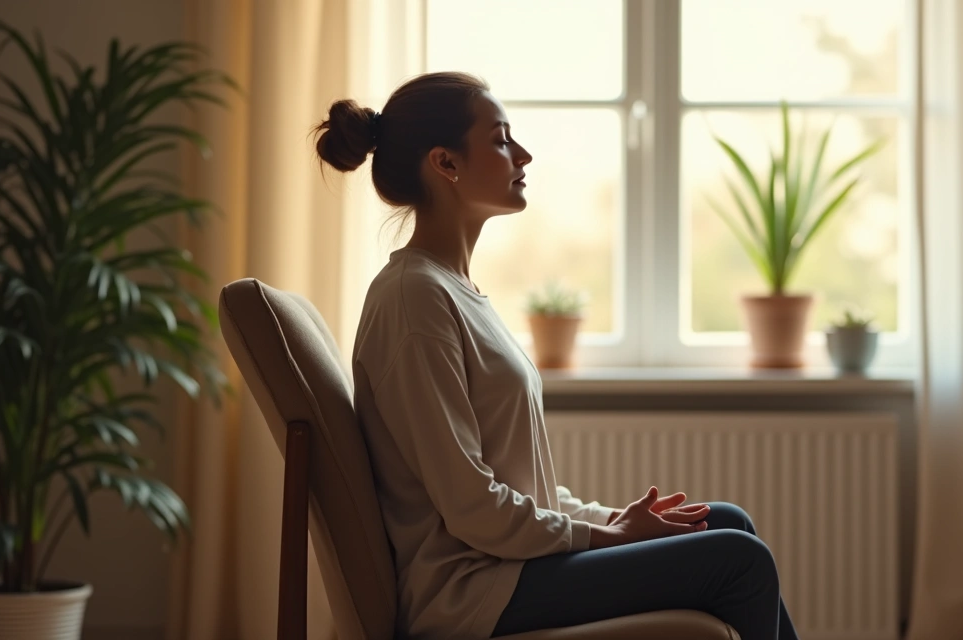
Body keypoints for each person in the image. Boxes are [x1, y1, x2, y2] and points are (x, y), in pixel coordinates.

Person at [313, 71, 800, 640]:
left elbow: (519, 492)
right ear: (446, 163)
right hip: (473, 590)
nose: (522, 154)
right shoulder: (413, 299)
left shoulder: (453, 290)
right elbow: (473, 508)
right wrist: (609, 538)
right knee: (739, 561)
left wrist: (609, 521)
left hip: (509, 564)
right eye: (499, 139)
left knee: (726, 524)